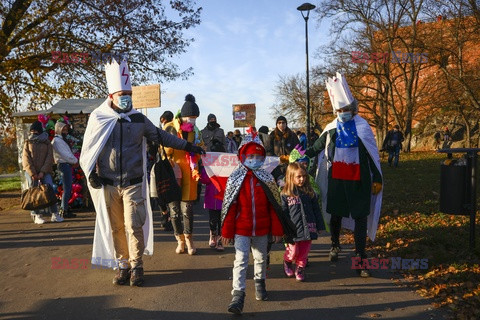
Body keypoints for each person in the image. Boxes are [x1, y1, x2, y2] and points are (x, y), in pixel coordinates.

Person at [79, 60, 204, 287]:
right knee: (116, 227)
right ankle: (123, 265)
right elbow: (89, 148)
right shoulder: (99, 118)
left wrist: (188, 146)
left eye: (129, 93)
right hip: (108, 183)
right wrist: (90, 173)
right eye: (122, 93)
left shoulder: (138, 119)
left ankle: (136, 266)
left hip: (133, 182)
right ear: (112, 95)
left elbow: (161, 136)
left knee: (133, 225)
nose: (126, 97)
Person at [306, 72, 383, 278]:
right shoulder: (331, 128)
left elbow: (372, 155)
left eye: (346, 109)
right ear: (335, 111)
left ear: (353, 109)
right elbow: (315, 147)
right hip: (338, 180)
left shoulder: (362, 127)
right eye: (340, 110)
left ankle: (360, 257)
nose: (343, 113)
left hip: (360, 181)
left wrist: (377, 178)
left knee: (360, 218)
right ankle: (335, 244)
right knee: (336, 214)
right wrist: (298, 157)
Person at [221, 131, 295, 315]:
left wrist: (277, 229)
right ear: (242, 156)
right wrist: (227, 232)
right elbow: (230, 207)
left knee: (261, 258)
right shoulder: (235, 179)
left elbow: (274, 207)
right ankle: (237, 295)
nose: (253, 159)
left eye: (257, 156)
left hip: (262, 230)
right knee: (240, 260)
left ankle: (260, 283)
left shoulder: (267, 179)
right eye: (250, 156)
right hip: (241, 230)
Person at [163, 94, 204, 255]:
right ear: (183, 115)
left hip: (190, 174)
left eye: (194, 118)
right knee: (174, 210)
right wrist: (172, 144)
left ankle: (189, 239)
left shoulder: (196, 131)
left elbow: (201, 148)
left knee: (187, 209)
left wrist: (198, 152)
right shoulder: (170, 128)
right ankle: (179, 239)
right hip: (173, 172)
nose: (192, 121)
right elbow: (164, 151)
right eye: (190, 117)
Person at [281, 162, 323, 282]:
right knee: (293, 251)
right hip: (293, 229)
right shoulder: (286, 194)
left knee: (304, 252)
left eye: (304, 176)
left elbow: (316, 210)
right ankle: (287, 261)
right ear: (291, 177)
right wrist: (284, 229)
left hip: (308, 227)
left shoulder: (310, 193)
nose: (302, 179)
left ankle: (300, 268)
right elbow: (284, 213)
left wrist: (319, 225)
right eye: (298, 177)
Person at [22, 121, 64, 224]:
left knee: (49, 190)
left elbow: (49, 157)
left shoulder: (46, 142)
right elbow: (26, 158)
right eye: (32, 130)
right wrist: (33, 173)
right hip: (31, 172)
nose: (33, 132)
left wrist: (42, 172)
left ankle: (54, 214)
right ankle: (36, 214)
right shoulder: (27, 142)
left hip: (44, 171)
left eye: (35, 130)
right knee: (33, 191)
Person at [200, 139, 225, 251]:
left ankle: (220, 239)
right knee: (212, 219)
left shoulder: (226, 167)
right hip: (211, 197)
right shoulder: (208, 166)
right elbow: (203, 180)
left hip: (222, 197)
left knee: (221, 220)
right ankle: (212, 235)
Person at [51, 121, 78, 218]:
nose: (66, 131)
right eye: (64, 129)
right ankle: (64, 209)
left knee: (68, 188)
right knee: (67, 188)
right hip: (63, 164)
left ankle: (65, 207)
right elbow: (65, 154)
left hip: (66, 164)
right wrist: (75, 161)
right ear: (59, 129)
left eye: (66, 129)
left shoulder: (61, 140)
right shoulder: (57, 141)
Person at [268, 116, 300, 180]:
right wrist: (276, 160)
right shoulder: (272, 136)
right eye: (279, 123)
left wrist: (291, 158)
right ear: (277, 124)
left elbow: (299, 149)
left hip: (290, 166)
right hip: (277, 167)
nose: (281, 124)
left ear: (286, 124)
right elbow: (268, 151)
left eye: (283, 123)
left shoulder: (292, 135)